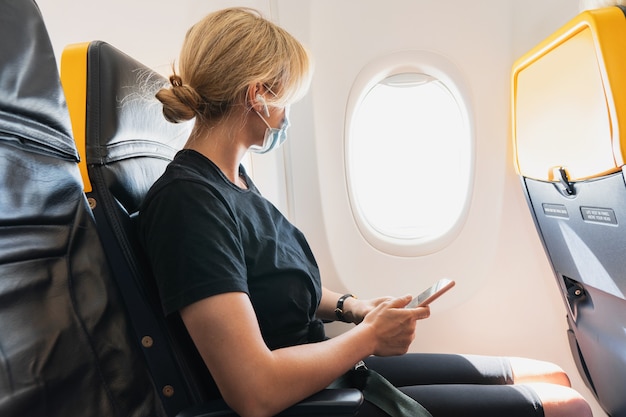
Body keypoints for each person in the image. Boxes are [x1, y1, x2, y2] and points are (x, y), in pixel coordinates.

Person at [138, 7, 593, 417]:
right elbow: (254, 390)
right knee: (567, 407)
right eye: (286, 98)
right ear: (258, 95)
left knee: (551, 376)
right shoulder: (188, 203)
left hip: (322, 375)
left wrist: (354, 308)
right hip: (299, 399)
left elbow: (269, 281)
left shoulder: (233, 181)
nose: (285, 114)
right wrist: (371, 336)